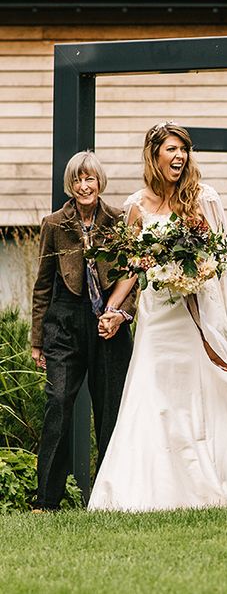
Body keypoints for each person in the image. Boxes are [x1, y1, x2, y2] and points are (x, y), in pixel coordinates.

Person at [88, 122, 227, 511]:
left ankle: (225, 480)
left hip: (193, 317)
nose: (180, 157)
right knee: (152, 393)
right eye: (171, 149)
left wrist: (194, 274)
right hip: (156, 319)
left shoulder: (204, 199)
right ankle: (147, 491)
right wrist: (114, 310)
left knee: (206, 392)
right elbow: (133, 267)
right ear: (154, 156)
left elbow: (220, 260)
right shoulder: (136, 206)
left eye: (183, 150)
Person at [31, 151, 135, 511]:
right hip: (64, 321)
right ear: (70, 185)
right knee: (58, 402)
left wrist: (121, 314)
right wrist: (37, 340)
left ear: (99, 182)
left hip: (108, 322)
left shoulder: (119, 220)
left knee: (109, 409)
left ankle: (108, 497)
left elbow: (133, 277)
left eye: (89, 178)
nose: (84, 185)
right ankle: (46, 500)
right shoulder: (54, 223)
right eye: (77, 180)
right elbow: (42, 286)